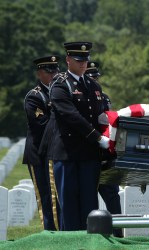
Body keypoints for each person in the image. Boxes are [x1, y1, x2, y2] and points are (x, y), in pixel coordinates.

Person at [45, 42, 110, 231]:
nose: (83, 64)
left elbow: (100, 114)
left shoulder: (93, 85)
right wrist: (98, 137)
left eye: (85, 60)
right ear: (68, 60)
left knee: (89, 203)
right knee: (69, 204)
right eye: (78, 60)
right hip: (68, 154)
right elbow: (70, 115)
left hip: (89, 155)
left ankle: (89, 242)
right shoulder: (60, 84)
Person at [85, 61, 123, 237]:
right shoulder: (80, 96)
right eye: (91, 77)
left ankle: (117, 234)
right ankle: (93, 234)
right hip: (87, 152)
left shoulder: (104, 97)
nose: (94, 80)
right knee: (89, 199)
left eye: (96, 77)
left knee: (112, 197)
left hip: (104, 155)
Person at [23, 55, 60, 231]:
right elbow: (43, 125)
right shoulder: (34, 97)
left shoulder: (59, 92)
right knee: (46, 196)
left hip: (55, 152)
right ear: (39, 73)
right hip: (38, 154)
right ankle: (49, 232)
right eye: (49, 71)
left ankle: (60, 230)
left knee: (57, 195)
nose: (54, 74)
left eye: (56, 70)